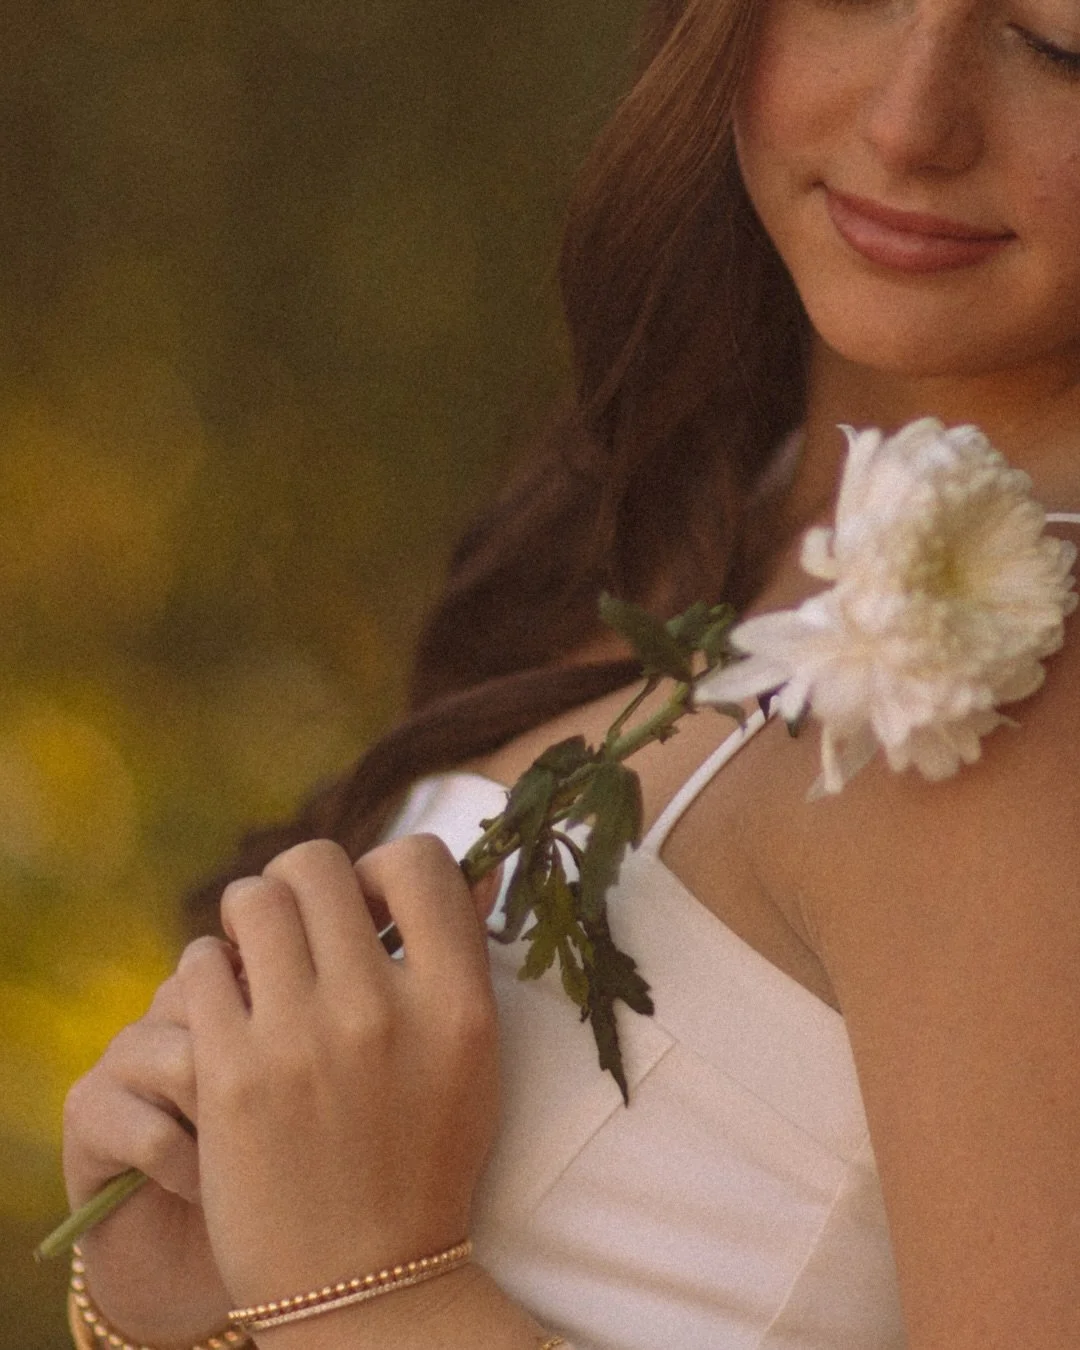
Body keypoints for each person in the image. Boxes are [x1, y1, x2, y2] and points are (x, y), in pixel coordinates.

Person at [60, 0, 1080, 1345]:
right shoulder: (716, 493)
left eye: (1063, 43)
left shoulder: (1018, 719)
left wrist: (373, 1288)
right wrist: (194, 1283)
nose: (910, 121)